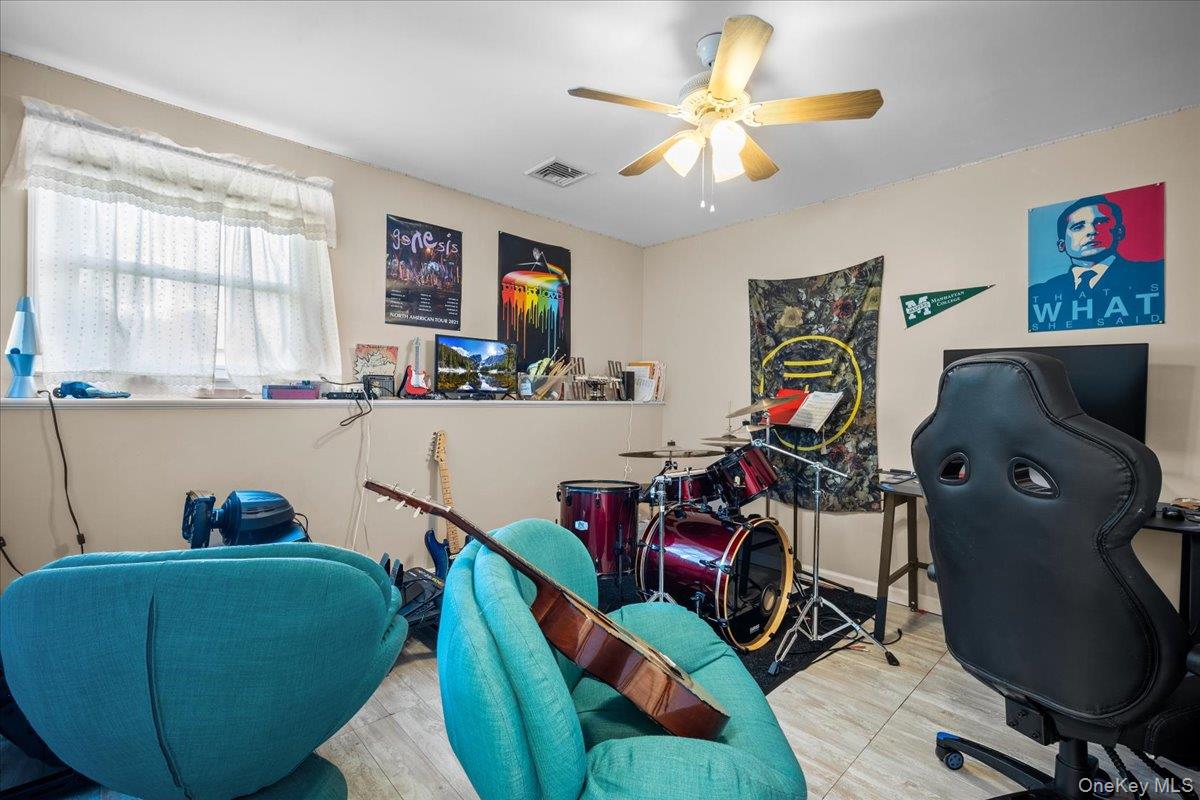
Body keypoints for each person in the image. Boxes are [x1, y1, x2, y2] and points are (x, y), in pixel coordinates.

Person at [1027, 195, 1163, 330]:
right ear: (1061, 245)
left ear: (1119, 232)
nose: (1092, 231)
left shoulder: (1152, 274)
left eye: (1101, 222)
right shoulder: (1039, 292)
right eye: (1078, 227)